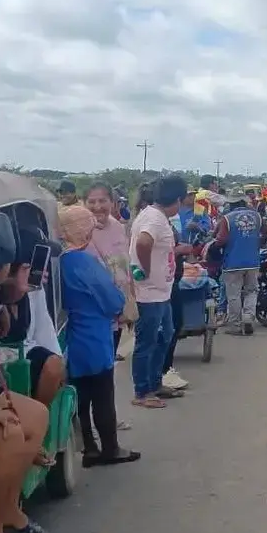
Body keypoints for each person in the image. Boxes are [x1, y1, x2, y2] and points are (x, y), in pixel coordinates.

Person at [0, 230, 50, 533]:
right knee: (11, 434)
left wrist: (17, 293)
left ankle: (8, 508)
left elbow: (4, 298)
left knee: (37, 416)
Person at [58, 206, 141, 467]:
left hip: (72, 338)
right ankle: (110, 449)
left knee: (81, 397)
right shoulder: (83, 262)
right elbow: (113, 300)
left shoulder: (58, 261)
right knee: (103, 396)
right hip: (93, 337)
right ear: (83, 231)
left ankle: (89, 448)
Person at [129, 175, 189, 408]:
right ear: (177, 199)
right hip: (150, 294)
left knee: (166, 335)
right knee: (147, 342)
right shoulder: (154, 218)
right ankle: (142, 391)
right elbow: (143, 243)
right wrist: (145, 269)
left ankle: (155, 383)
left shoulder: (156, 216)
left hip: (161, 292)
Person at [0, 227, 66, 409]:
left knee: (54, 366)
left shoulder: (35, 290)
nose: (42, 271)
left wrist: (58, 368)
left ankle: (39, 412)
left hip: (25, 357)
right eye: (30, 266)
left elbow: (44, 329)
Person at [85, 182, 137, 361]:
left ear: (113, 204)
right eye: (92, 202)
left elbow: (125, 265)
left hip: (119, 307)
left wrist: (131, 297)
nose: (97, 206)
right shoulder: (81, 231)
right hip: (95, 309)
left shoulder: (118, 227)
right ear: (84, 203)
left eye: (102, 201)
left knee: (109, 360)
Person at [214, 194, 262, 336]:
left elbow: (221, 240)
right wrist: (255, 244)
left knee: (233, 294)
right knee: (251, 291)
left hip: (232, 262)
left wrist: (215, 246)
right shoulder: (257, 216)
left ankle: (235, 325)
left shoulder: (227, 219)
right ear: (244, 202)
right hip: (253, 261)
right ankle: (248, 317)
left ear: (231, 204)